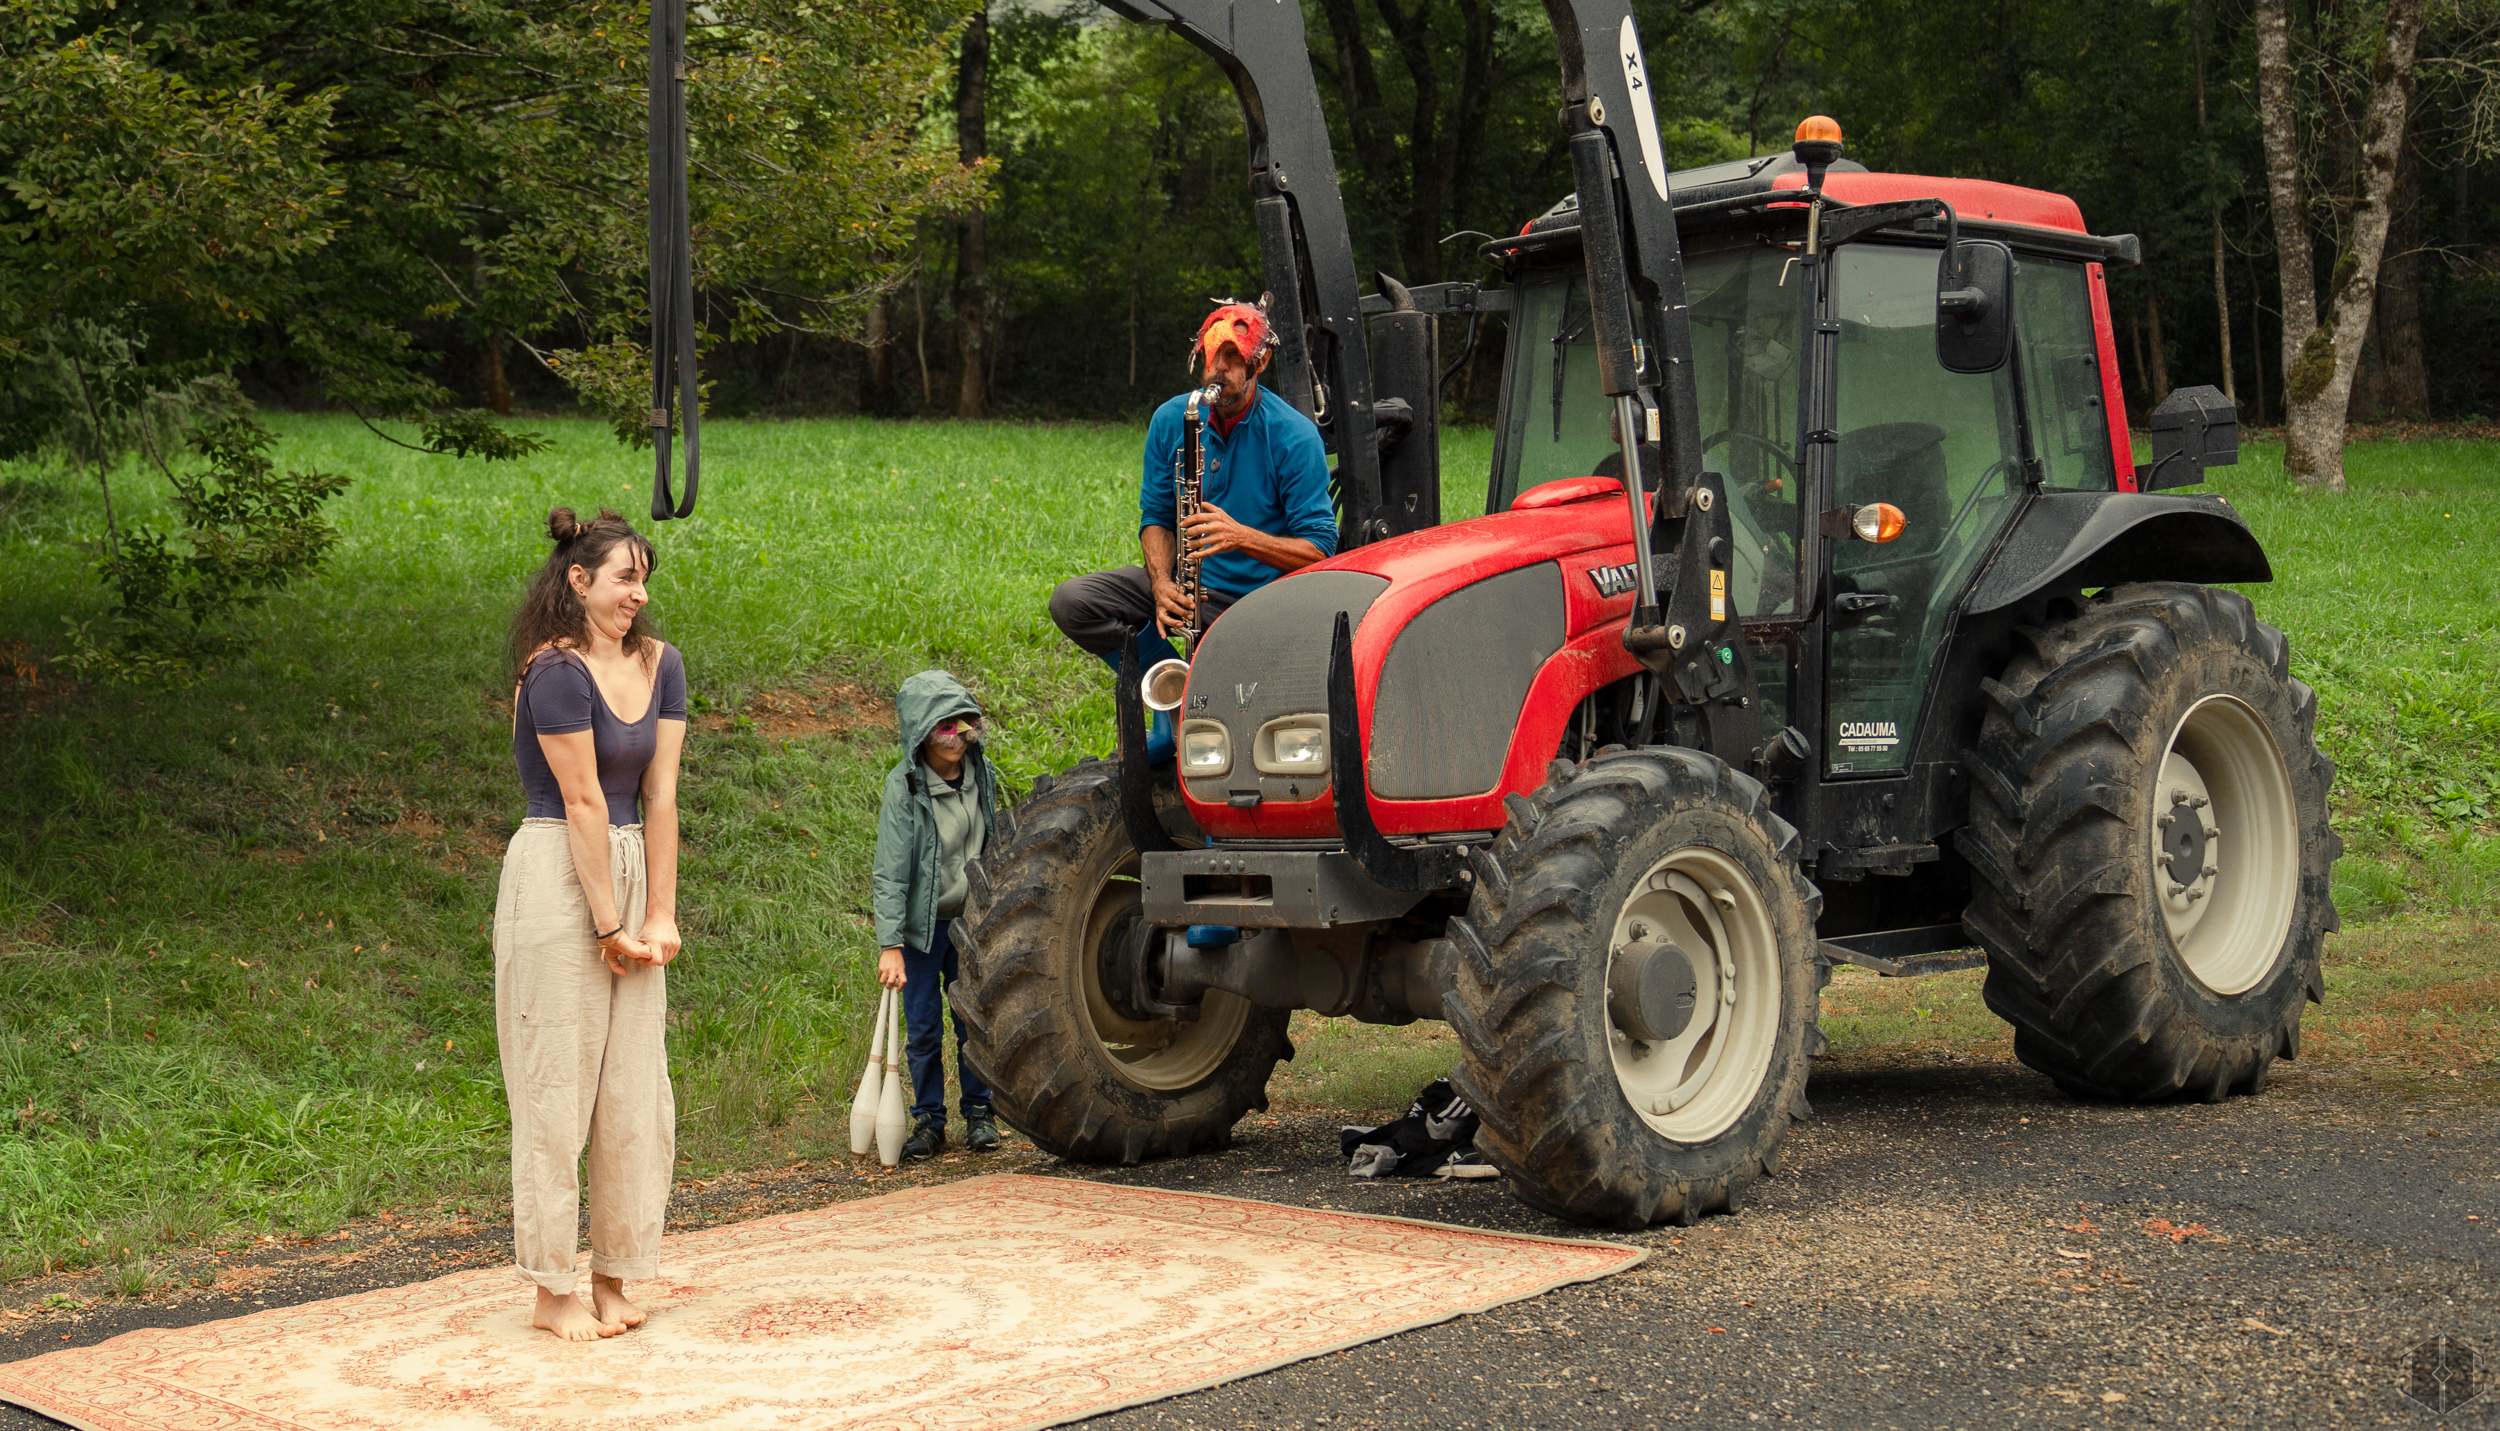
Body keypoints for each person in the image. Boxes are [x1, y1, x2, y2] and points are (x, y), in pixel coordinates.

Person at [495, 506, 687, 1342]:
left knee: (633, 1091)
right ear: (578, 580)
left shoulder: (661, 664)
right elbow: (579, 800)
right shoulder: (554, 673)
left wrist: (660, 912)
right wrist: (609, 924)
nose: (637, 594)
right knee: (555, 1087)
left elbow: (661, 793)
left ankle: (615, 1271)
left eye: (644, 579)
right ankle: (552, 1288)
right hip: (557, 878)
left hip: (632, 865)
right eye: (623, 578)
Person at [1048, 299, 1339, 763]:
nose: (1218, 368)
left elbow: (1321, 549)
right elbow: (1156, 517)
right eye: (1211, 355)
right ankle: (1173, 690)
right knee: (1073, 602)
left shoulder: (1295, 435)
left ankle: (1198, 700)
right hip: (1189, 589)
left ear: (1260, 362)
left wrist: (1242, 537)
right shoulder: (1173, 419)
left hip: (1258, 602)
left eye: (1232, 357)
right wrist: (1162, 583)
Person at [872, 670, 1001, 1161]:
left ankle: (980, 1114)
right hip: (921, 934)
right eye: (945, 726)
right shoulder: (905, 787)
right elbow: (891, 872)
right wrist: (891, 945)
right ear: (922, 733)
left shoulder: (982, 773)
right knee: (924, 1029)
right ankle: (930, 1120)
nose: (959, 735)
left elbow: (996, 842)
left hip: (972, 925)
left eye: (965, 723)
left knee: (974, 1022)